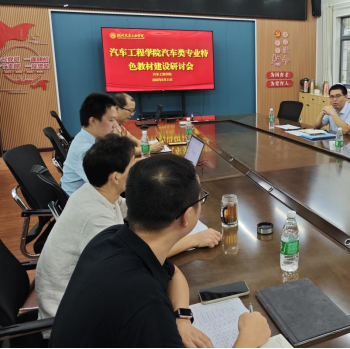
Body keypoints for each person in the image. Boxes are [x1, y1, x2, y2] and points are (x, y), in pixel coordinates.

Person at [49, 155, 270, 348]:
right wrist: (248, 338)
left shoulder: (112, 237)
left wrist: (182, 318)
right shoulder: (147, 306)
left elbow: (173, 273)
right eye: (200, 198)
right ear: (186, 217)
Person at [38, 135, 222, 334]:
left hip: (89, 300)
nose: (137, 167)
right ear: (116, 177)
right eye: (133, 163)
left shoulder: (97, 193)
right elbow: (146, 253)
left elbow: (144, 210)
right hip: (68, 319)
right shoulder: (97, 221)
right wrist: (193, 239)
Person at [61, 93, 118, 195]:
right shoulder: (85, 151)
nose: (115, 125)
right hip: (81, 201)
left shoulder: (91, 139)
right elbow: (106, 186)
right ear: (93, 121)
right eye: (111, 120)